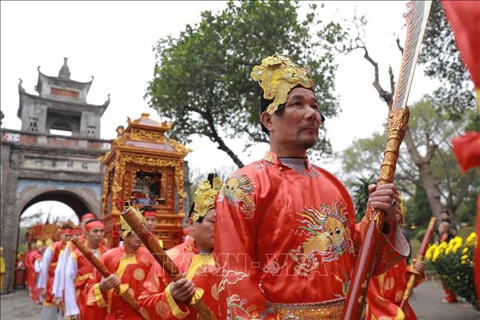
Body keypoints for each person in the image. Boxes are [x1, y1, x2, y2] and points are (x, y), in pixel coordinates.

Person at [214, 54, 410, 319]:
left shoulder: (334, 186)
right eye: (298, 103)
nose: (312, 114)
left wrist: (381, 219)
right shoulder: (244, 187)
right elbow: (235, 275)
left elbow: (360, 263)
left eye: (315, 106)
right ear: (268, 120)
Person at [138, 173, 222, 319]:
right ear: (191, 223)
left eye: (224, 222)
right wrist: (171, 297)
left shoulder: (233, 257)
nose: (220, 228)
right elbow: (143, 306)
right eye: (214, 222)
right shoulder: (169, 259)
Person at [85, 209, 155, 319]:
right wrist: (101, 287)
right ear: (123, 234)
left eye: (142, 230)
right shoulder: (108, 257)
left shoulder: (151, 257)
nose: (140, 234)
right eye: (135, 230)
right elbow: (90, 285)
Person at [366, 205, 426, 319]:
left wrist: (413, 270)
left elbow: (400, 277)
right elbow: (368, 290)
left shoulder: (397, 247)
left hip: (400, 308)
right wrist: (389, 311)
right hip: (379, 313)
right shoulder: (368, 247)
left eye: (397, 222)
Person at [64, 219, 108, 320]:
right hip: (82, 298)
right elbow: (69, 280)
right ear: (87, 234)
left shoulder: (107, 253)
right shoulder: (76, 255)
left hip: (102, 298)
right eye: (95, 231)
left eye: (102, 231)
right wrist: (73, 309)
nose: (99, 234)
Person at [52, 213, 97, 307]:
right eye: (87, 223)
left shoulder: (103, 244)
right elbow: (62, 270)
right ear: (81, 225)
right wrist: (59, 293)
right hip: (77, 291)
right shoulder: (72, 244)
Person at [38, 225, 73, 320]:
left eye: (71, 236)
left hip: (68, 282)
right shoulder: (53, 247)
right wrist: (43, 286)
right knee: (50, 307)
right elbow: (44, 268)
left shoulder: (73, 247)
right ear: (61, 235)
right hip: (52, 282)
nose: (69, 238)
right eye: (66, 235)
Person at [438, 221, 458, 304]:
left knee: (448, 279)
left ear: (445, 228)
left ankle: (452, 296)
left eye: (440, 227)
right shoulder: (442, 237)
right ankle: (450, 295)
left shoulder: (449, 237)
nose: (438, 229)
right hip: (444, 260)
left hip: (449, 261)